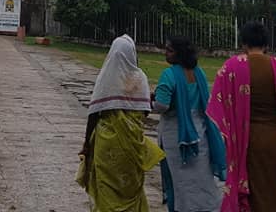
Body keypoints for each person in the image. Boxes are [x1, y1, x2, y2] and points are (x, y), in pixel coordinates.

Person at [206, 21, 276, 212]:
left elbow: (218, 105)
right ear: (266, 44)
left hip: (245, 143)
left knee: (251, 195)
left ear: (243, 43)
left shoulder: (231, 67)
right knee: (275, 192)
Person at [78, 35, 164, 212]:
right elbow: (145, 112)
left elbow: (94, 113)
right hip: (132, 144)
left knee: (106, 187)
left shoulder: (106, 78)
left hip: (106, 145)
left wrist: (86, 143)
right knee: (130, 185)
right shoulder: (140, 78)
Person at [153, 36, 225, 212]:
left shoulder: (169, 75)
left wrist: (150, 103)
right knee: (202, 178)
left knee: (178, 182)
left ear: (179, 54)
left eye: (169, 50)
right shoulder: (199, 73)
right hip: (199, 133)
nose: (165, 53)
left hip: (176, 136)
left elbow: (162, 106)